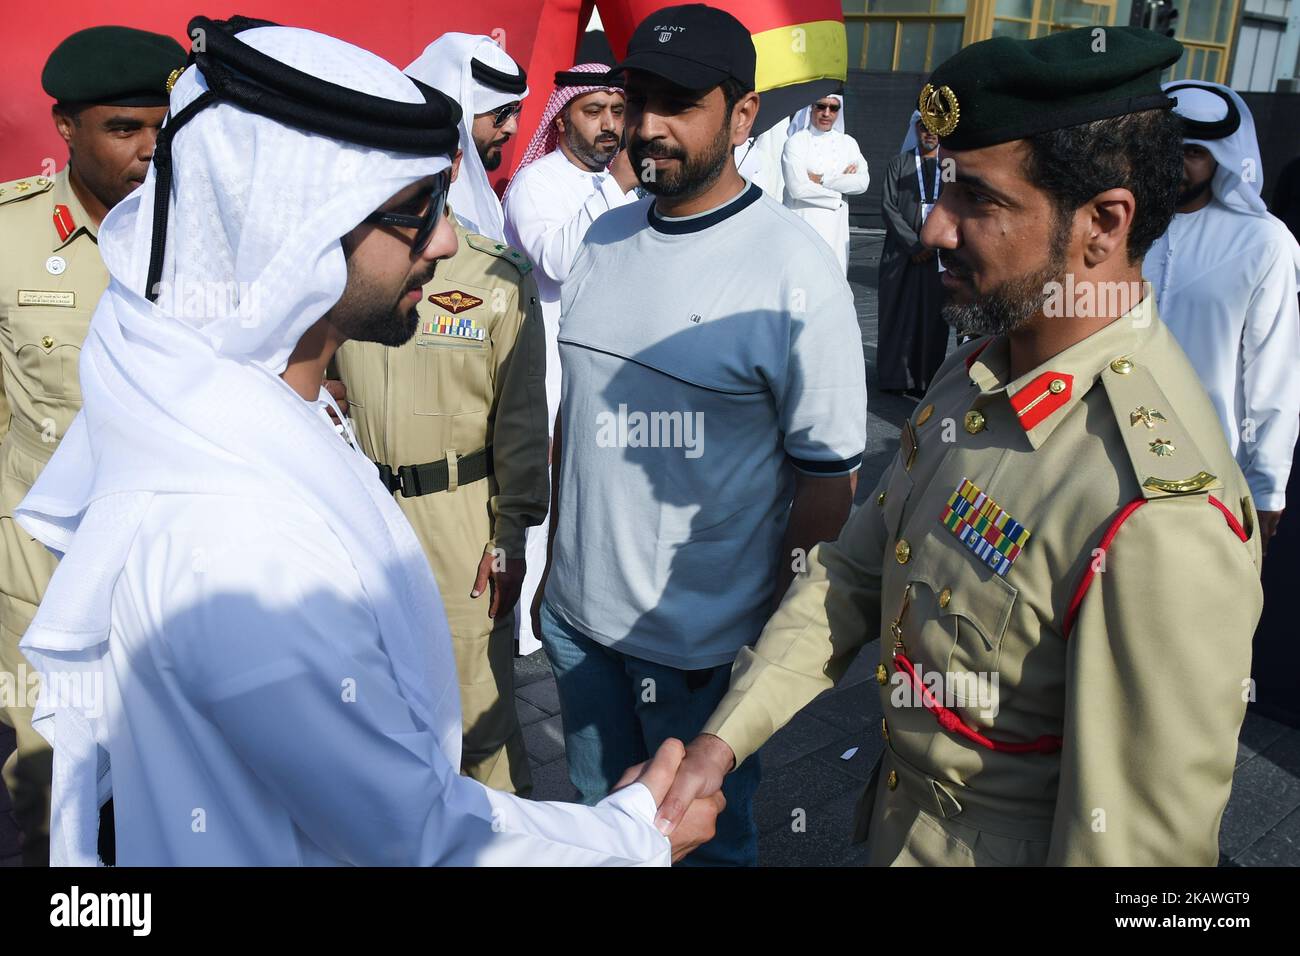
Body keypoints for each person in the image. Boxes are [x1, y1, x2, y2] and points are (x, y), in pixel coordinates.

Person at [15, 16, 721, 867]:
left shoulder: (237, 409)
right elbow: (415, 837)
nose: (448, 240)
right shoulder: (238, 543)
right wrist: (636, 836)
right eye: (414, 211)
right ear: (301, 230)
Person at [656, 26, 1265, 866]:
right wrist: (719, 742)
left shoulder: (1159, 512)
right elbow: (853, 574)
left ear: (1103, 223)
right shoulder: (979, 373)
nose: (935, 228)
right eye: (945, 186)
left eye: (978, 199)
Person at [540, 3, 867, 867]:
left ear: (744, 114)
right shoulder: (601, 240)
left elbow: (828, 483)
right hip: (577, 629)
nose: (646, 128)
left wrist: (767, 641)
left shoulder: (796, 272)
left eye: (679, 103)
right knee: (594, 825)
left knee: (706, 852)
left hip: (698, 657)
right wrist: (553, 570)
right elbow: (580, 414)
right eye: (637, 98)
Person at [0, 25, 185, 867]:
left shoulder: (206, 238)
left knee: (172, 791)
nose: (151, 149)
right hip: (43, 578)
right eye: (124, 128)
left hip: (169, 571)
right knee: (48, 787)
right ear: (65, 126)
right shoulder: (7, 239)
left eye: (164, 123)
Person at [330, 146, 549, 796]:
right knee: (372, 715)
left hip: (460, 524)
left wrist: (511, 538)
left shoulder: (498, 275)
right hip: (359, 518)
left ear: (453, 162)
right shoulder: (339, 260)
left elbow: (522, 424)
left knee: (477, 721)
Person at [501, 64, 640, 651]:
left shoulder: (612, 183)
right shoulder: (538, 184)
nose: (610, 124)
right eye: (594, 111)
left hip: (606, 361)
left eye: (617, 111)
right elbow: (557, 261)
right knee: (545, 482)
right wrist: (622, 191)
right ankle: (519, 624)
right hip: (547, 365)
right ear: (561, 119)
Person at [1143, 81, 1300, 552]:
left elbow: (1273, 374)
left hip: (1207, 471)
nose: (1176, 163)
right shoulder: (1119, 225)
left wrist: (1268, 485)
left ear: (1221, 158)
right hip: (1102, 451)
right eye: (1167, 147)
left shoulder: (1264, 244)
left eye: (1192, 152)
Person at [406, 34, 529, 242]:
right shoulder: (412, 189)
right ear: (463, 104)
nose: (512, 127)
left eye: (515, 111)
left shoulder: (485, 195)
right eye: (502, 112)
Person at [878, 113, 949, 395]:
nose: (929, 132)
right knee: (898, 312)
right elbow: (888, 207)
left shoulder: (951, 167)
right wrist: (914, 244)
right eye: (924, 126)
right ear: (915, 129)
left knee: (932, 317)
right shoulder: (899, 163)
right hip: (901, 253)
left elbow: (956, 205)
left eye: (935, 127)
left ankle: (926, 381)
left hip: (939, 255)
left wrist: (931, 245)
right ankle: (895, 378)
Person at [780, 93, 869, 272]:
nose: (826, 113)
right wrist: (839, 194)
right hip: (803, 223)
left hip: (836, 228)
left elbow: (862, 183)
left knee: (832, 277)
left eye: (833, 108)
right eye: (821, 106)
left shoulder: (848, 143)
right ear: (811, 108)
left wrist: (822, 179)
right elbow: (797, 188)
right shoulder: (796, 142)